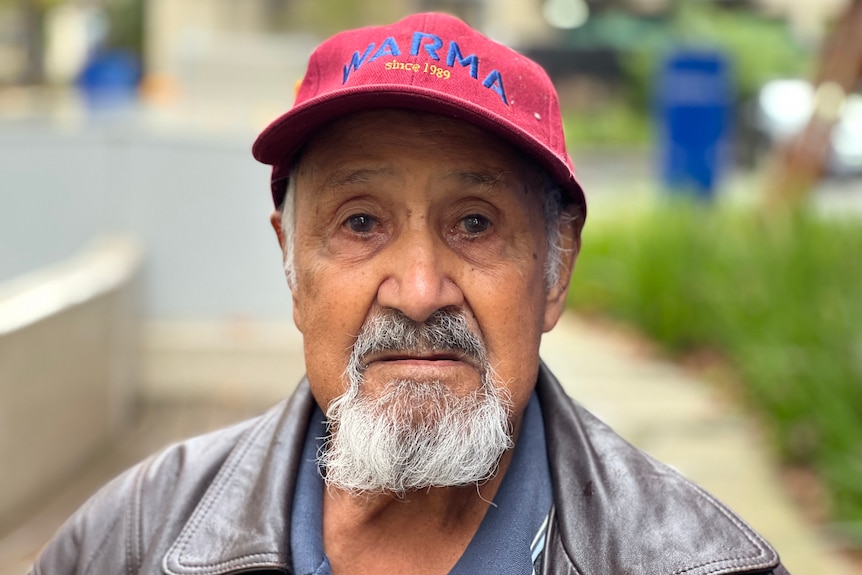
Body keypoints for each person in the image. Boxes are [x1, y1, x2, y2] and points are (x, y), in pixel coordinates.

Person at [31, 12, 788, 575]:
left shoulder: (700, 559)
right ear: (292, 268)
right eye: (361, 222)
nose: (421, 291)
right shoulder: (131, 537)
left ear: (555, 269)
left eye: (475, 222)